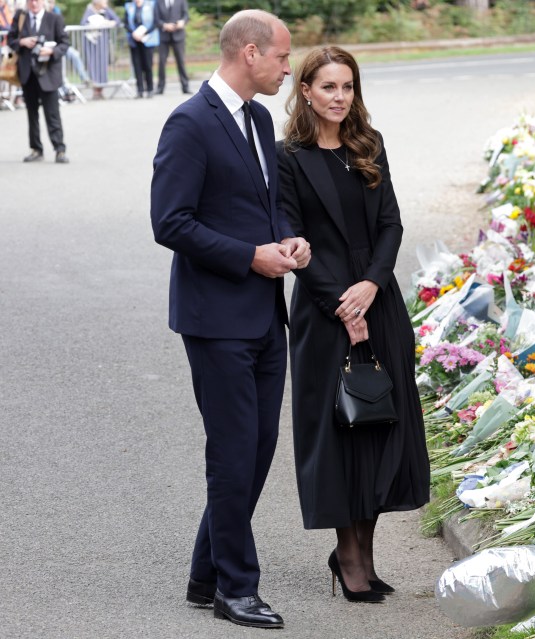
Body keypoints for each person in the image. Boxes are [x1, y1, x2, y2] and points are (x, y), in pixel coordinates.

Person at [150, 9, 308, 629]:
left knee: (257, 448)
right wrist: (249, 257)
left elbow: (260, 207)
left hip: (266, 315)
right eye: (281, 58)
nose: (287, 69)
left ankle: (204, 573)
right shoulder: (189, 123)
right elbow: (170, 222)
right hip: (215, 319)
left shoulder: (261, 118)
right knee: (234, 452)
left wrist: (288, 241)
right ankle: (235, 590)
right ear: (249, 52)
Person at [277, 45, 430, 604]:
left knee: (379, 424)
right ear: (307, 93)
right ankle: (348, 558)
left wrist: (371, 284)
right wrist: (343, 302)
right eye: (328, 88)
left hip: (378, 298)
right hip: (325, 308)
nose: (339, 97)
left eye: (347, 87)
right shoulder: (289, 157)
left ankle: (364, 553)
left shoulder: (370, 144)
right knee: (341, 432)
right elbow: (291, 235)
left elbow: (390, 222)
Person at [8, 0, 70, 163]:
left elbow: (65, 43)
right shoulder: (20, 18)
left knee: (52, 114)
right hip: (28, 74)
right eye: (31, 1)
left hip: (48, 74)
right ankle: (36, 148)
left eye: (37, 0)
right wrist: (22, 42)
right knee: (32, 114)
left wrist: (51, 51)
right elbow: (11, 39)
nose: (34, 4)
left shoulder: (54, 18)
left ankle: (59, 149)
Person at [80, 0, 120, 99]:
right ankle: (95, 90)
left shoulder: (106, 10)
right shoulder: (89, 10)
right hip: (92, 44)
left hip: (102, 44)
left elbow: (117, 20)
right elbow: (83, 23)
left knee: (102, 65)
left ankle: (101, 89)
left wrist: (110, 23)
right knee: (93, 65)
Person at [123, 0, 156, 98]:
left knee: (148, 65)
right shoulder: (129, 7)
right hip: (134, 39)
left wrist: (144, 33)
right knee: (137, 66)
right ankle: (140, 90)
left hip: (147, 39)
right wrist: (133, 33)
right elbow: (125, 23)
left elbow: (155, 22)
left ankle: (150, 89)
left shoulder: (151, 5)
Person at [154, 0, 188, 94]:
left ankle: (185, 86)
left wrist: (182, 22)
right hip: (164, 36)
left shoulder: (181, 1)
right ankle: (160, 87)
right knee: (161, 62)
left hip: (178, 35)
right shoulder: (158, 2)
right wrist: (164, 25)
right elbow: (156, 19)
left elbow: (186, 15)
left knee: (181, 61)